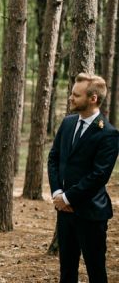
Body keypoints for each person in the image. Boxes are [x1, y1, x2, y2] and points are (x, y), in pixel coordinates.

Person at [47, 73, 119, 283]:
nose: (71, 98)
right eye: (71, 94)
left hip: (91, 215)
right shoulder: (68, 123)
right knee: (66, 272)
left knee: (96, 272)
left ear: (93, 98)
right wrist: (58, 193)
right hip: (65, 214)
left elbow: (99, 176)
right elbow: (54, 158)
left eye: (76, 95)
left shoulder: (108, 134)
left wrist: (68, 198)